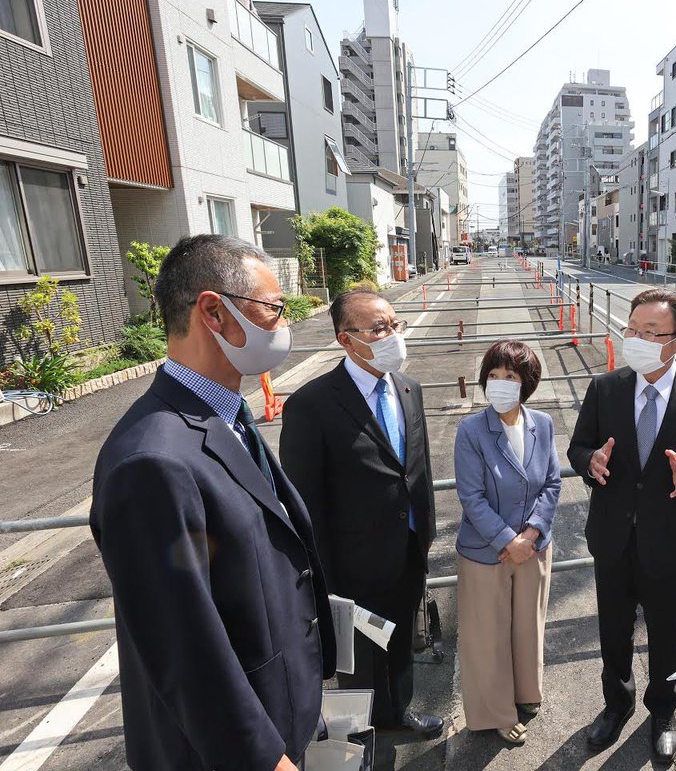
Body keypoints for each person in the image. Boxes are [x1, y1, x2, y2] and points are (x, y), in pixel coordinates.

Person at [90, 234, 334, 771]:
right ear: (214, 313)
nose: (284, 324)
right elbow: (182, 642)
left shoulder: (223, 415)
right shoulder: (152, 461)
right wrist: (263, 758)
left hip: (277, 707)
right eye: (273, 309)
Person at [568, 289, 676, 765]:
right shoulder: (606, 389)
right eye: (631, 329)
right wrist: (590, 461)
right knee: (613, 627)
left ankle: (663, 711)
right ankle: (616, 704)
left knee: (666, 628)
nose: (635, 339)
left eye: (649, 333)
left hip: (668, 537)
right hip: (612, 533)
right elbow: (579, 447)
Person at [279, 289, 443, 739]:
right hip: (352, 563)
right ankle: (360, 734)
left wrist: (424, 533)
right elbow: (303, 500)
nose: (391, 335)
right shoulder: (312, 404)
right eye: (378, 328)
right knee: (362, 657)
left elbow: (418, 468)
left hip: (407, 547)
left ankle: (398, 712)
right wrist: (322, 576)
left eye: (394, 324)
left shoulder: (408, 388)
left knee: (401, 645)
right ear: (346, 340)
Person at [453, 340, 562, 745]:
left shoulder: (542, 424)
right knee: (487, 635)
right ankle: (495, 712)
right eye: (493, 376)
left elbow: (552, 482)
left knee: (528, 625)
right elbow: (471, 496)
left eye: (510, 377)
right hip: (486, 552)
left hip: (533, 547)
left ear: (526, 384)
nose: (499, 384)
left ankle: (525, 692)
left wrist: (531, 534)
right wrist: (507, 540)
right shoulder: (472, 430)